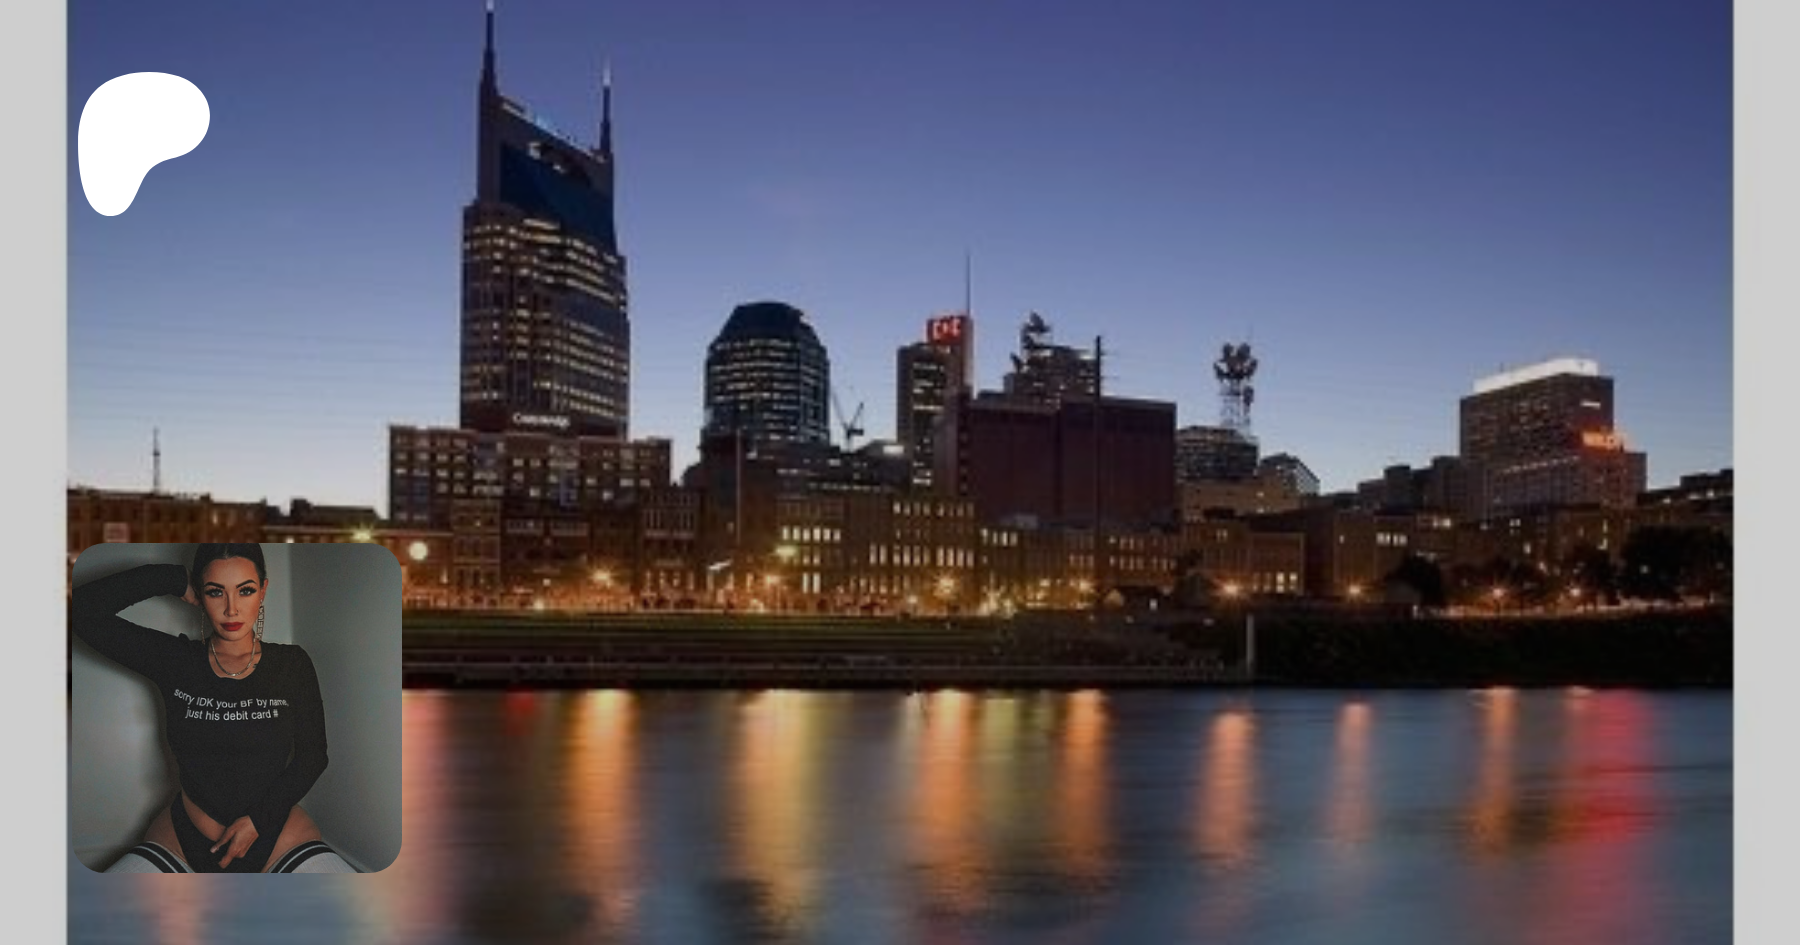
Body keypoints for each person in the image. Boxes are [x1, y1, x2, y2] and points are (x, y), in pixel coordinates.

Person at [71, 543, 350, 873]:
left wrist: (258, 820)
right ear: (199, 595)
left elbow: (313, 755)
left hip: (278, 837)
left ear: (263, 590)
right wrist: (173, 579)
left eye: (245, 590)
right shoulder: (176, 661)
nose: (231, 609)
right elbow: (82, 612)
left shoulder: (292, 664)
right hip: (183, 841)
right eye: (215, 592)